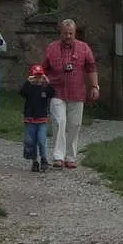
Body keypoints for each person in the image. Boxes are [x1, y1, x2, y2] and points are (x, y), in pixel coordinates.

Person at [42, 18, 99, 169]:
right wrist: (43, 81)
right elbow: (44, 68)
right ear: (60, 33)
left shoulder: (84, 48)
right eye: (65, 33)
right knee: (59, 122)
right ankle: (58, 157)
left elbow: (91, 68)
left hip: (77, 92)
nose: (68, 36)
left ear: (75, 33)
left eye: (71, 33)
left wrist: (95, 86)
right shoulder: (51, 48)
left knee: (75, 124)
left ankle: (70, 157)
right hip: (57, 91)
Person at [20, 64, 54, 173]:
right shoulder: (29, 88)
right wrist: (28, 81)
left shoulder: (45, 88)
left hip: (42, 120)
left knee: (42, 140)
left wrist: (47, 82)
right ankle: (35, 161)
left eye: (40, 76)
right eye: (36, 77)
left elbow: (52, 93)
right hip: (30, 120)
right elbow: (22, 92)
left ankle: (44, 159)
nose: (38, 79)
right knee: (31, 141)